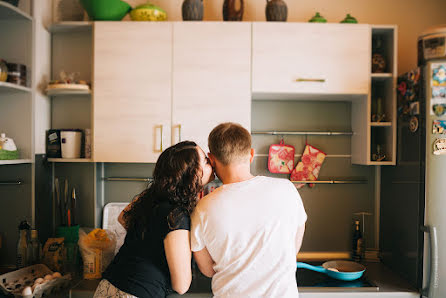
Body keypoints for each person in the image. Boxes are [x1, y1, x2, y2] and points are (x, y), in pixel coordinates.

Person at [191, 123, 307, 297]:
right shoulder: (287, 189)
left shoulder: (203, 208)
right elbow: (293, 247)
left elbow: (208, 270)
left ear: (211, 159)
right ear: (251, 154)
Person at [94, 141, 214, 298]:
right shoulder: (176, 216)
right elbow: (182, 285)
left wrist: (150, 244)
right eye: (205, 160)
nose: (210, 162)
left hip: (107, 286)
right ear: (192, 174)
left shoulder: (150, 196)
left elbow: (123, 218)